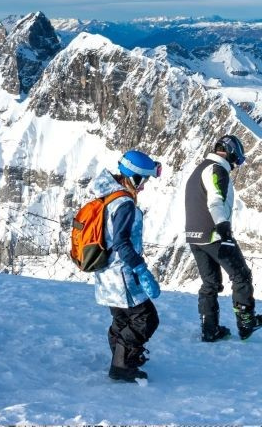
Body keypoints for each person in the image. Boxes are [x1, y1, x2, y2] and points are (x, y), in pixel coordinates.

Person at [185, 134, 262, 341]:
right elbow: (215, 201)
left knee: (210, 283)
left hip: (194, 236)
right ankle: (246, 322)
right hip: (214, 233)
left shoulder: (199, 169)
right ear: (232, 153)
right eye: (237, 160)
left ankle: (209, 329)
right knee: (241, 275)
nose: (236, 165)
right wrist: (224, 228)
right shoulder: (217, 169)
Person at [92, 150, 162, 382]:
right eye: (143, 181)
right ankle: (121, 365)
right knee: (147, 318)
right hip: (122, 273)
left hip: (106, 271)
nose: (143, 187)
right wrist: (141, 269)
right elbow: (122, 241)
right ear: (134, 177)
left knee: (122, 318)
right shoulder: (123, 203)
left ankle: (124, 358)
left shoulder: (107, 196)